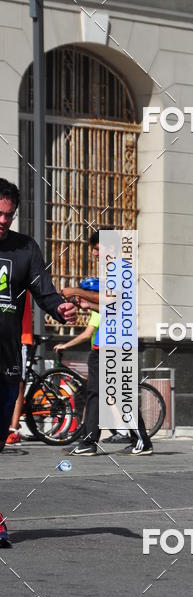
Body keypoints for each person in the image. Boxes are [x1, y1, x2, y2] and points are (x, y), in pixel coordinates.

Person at [0, 178, 77, 546]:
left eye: (9, 215)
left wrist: (61, 309)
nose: (3, 220)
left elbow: (45, 292)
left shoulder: (25, 248)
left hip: (7, 360)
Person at [62, 231, 153, 456]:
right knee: (103, 393)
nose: (94, 254)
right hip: (107, 342)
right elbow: (112, 306)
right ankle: (98, 441)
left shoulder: (119, 269)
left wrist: (77, 291)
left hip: (115, 343)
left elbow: (110, 298)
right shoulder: (114, 270)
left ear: (110, 248)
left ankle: (105, 441)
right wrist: (89, 306)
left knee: (107, 393)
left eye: (97, 249)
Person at [5, 291, 33, 445]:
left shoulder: (20, 280)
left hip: (20, 337)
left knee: (17, 381)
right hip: (5, 335)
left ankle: (13, 429)